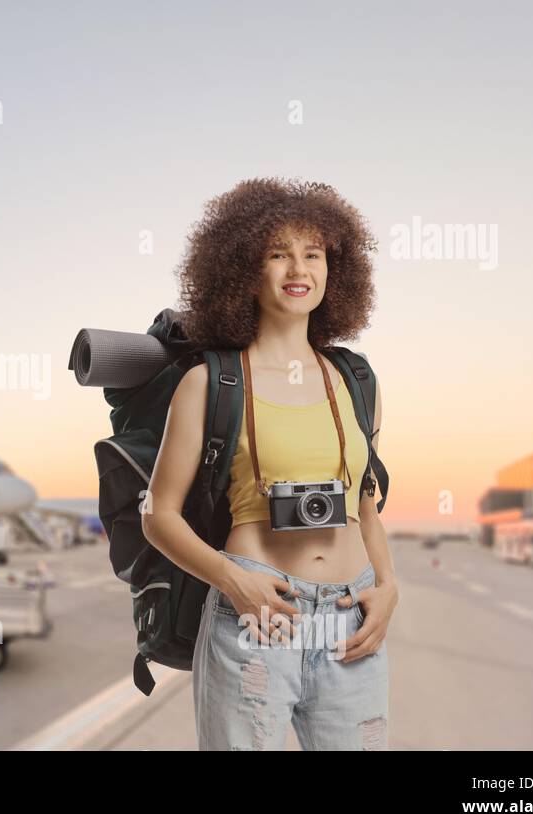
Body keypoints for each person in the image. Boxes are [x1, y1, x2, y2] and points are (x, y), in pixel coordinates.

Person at [141, 177, 397, 750]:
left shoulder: (357, 382)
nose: (297, 269)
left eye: (313, 254)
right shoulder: (209, 383)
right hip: (256, 618)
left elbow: (365, 505)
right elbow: (158, 515)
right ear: (242, 271)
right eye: (277, 254)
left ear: (335, 270)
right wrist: (232, 580)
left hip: (350, 618)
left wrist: (389, 585)